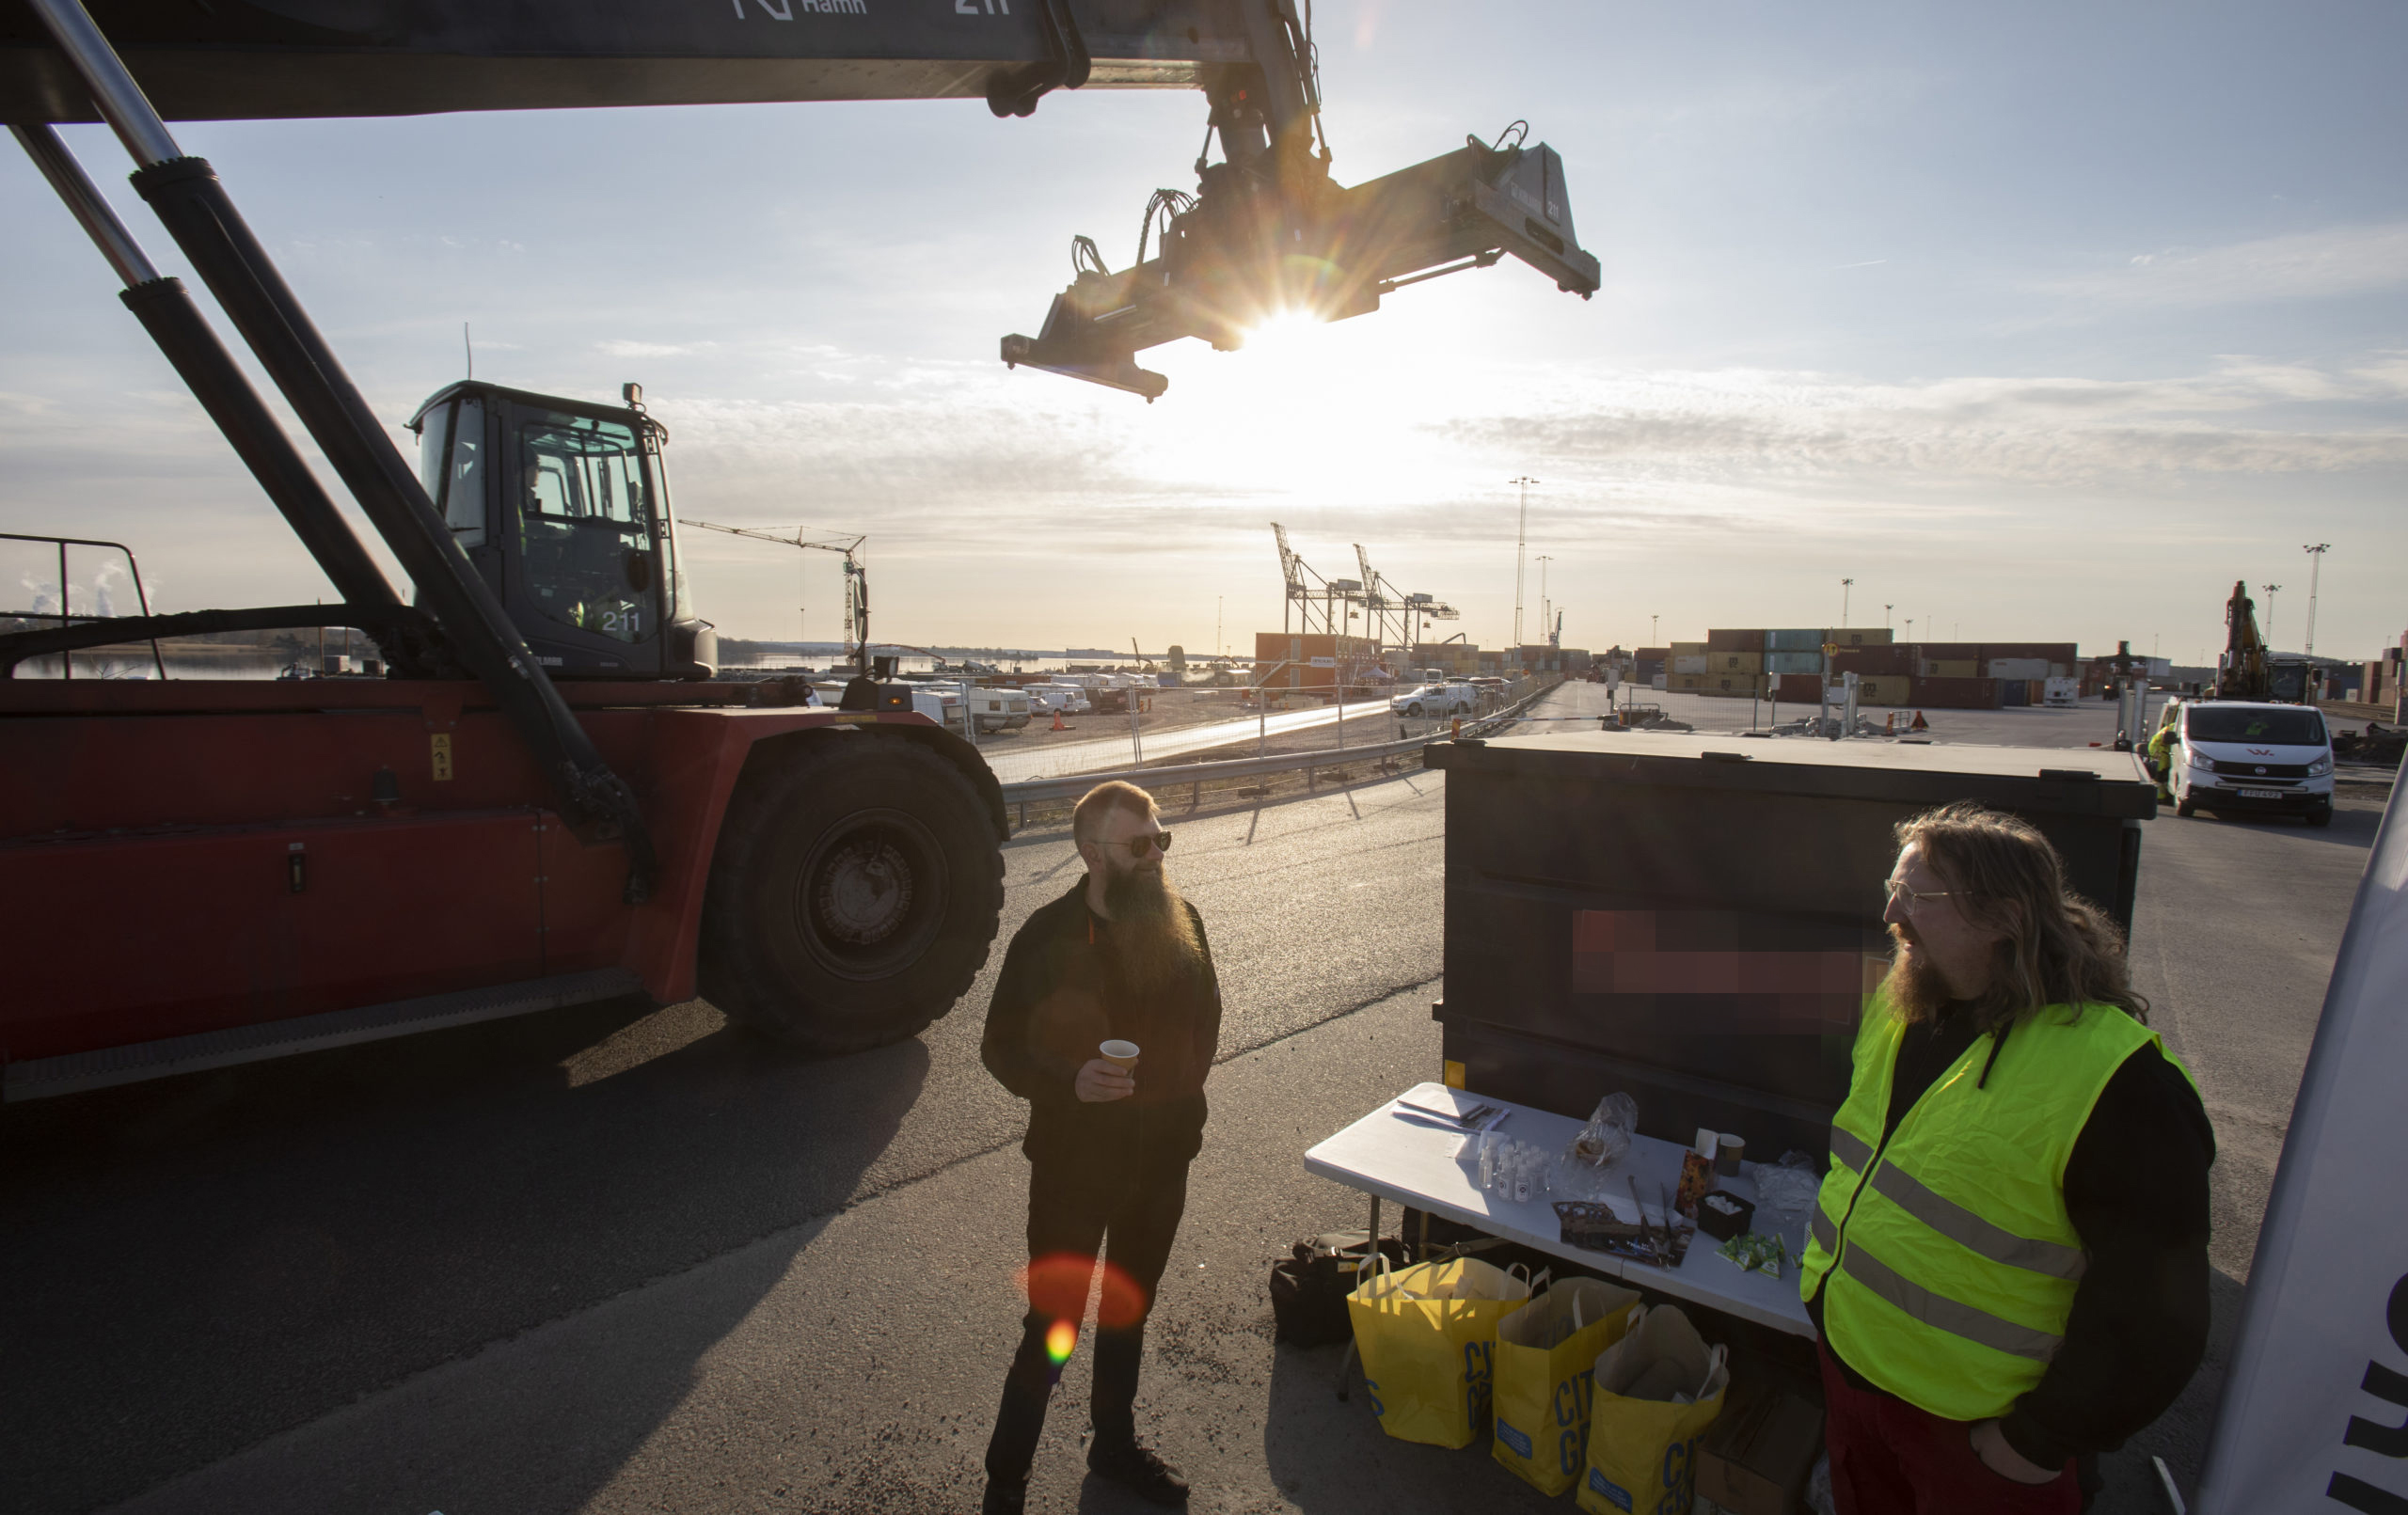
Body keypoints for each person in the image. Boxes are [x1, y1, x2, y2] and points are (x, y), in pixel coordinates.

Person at [1799, 801, 2213, 1513]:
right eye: (1892, 890)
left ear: (2004, 919)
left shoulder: (2119, 1081)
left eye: (1919, 897)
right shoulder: (1903, 1004)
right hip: (1854, 1380)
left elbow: (2156, 1312)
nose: (1893, 914)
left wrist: (2039, 1439)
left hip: (1976, 1439)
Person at [979, 781, 1221, 1512]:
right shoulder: (1046, 936)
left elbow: (1207, 1027)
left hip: (1160, 1166)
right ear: (1091, 853)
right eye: (1137, 844)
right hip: (1073, 1170)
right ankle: (1007, 1480)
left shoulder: (1184, 923)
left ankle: (1113, 1444)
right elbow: (998, 1047)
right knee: (1052, 1325)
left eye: (1160, 839)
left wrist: (1179, 1112)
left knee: (1128, 1313)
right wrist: (1069, 1080)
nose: (1155, 856)